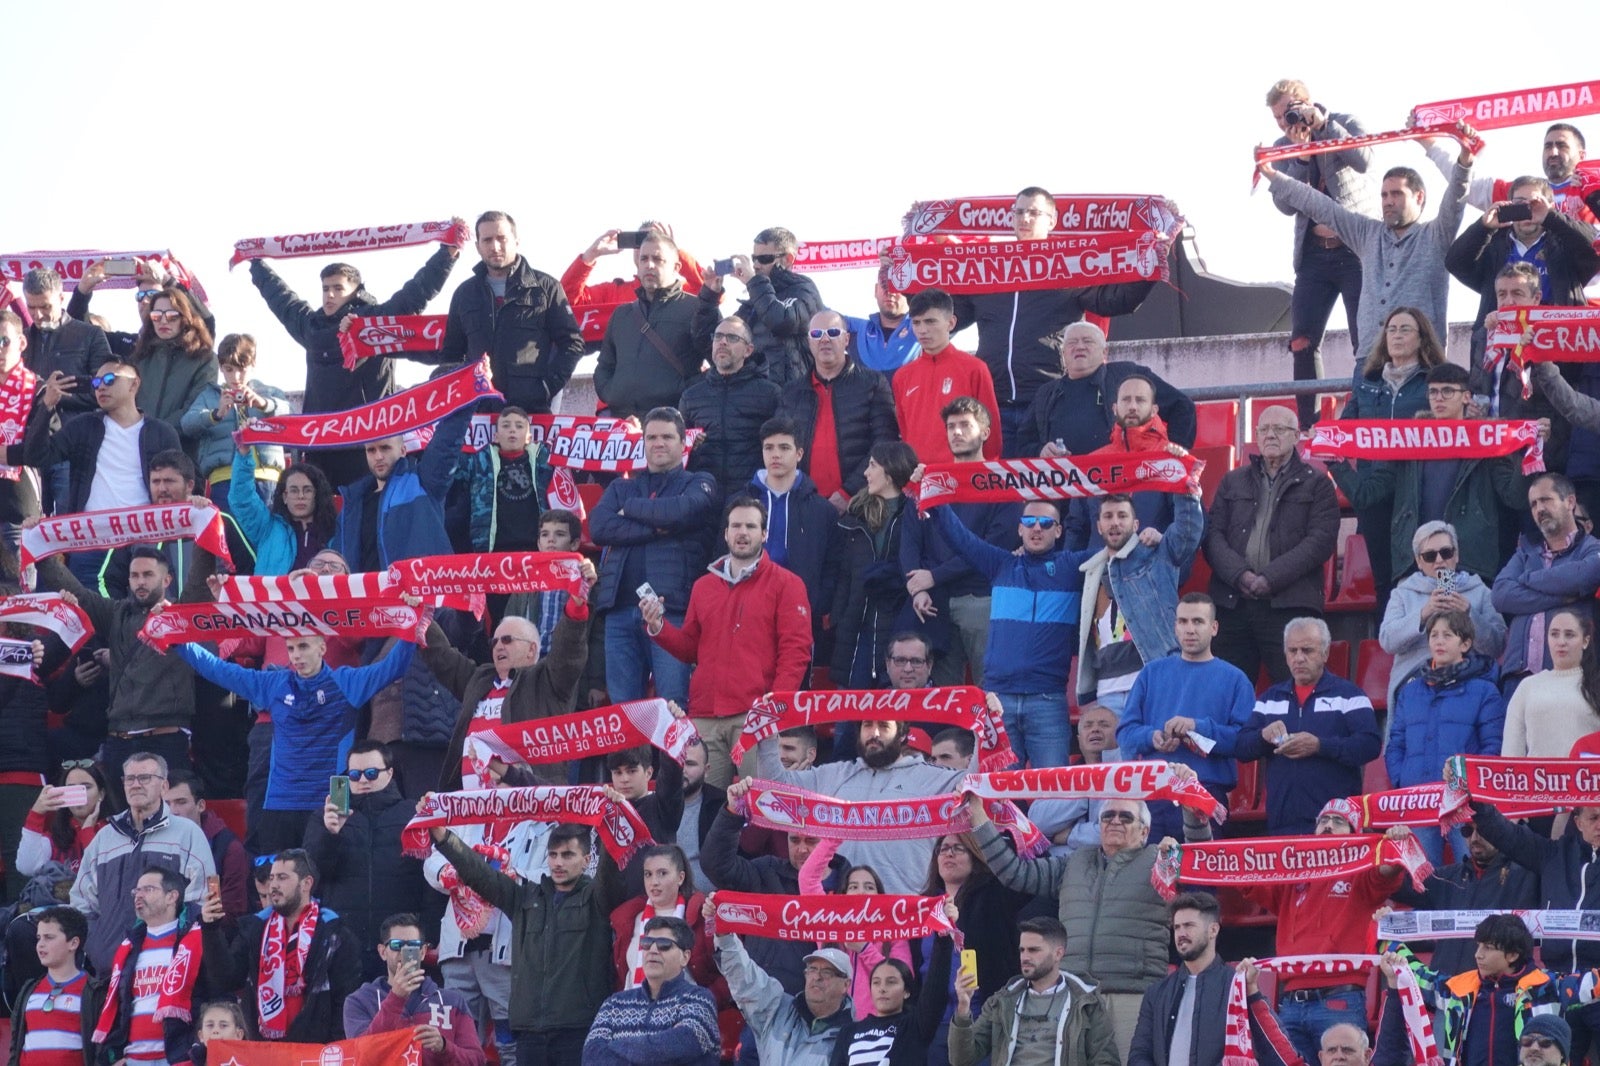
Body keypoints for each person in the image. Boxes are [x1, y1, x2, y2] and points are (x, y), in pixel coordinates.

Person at [970, 789, 1211, 1066]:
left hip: (1132, 995)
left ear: (1144, 832)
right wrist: (978, 816)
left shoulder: (1161, 861)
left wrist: (1192, 810)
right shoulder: (1073, 862)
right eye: (1108, 815)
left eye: (1126, 817)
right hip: (1076, 995)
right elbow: (1015, 872)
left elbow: (1201, 861)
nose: (1115, 821)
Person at [168, 624, 415, 853]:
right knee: (282, 881)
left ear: (322, 647)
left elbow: (393, 667)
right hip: (280, 799)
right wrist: (176, 641)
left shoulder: (345, 682)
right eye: (291, 648)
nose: (296, 655)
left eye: (303, 646)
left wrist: (414, 623)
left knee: (329, 880)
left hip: (333, 798)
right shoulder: (275, 683)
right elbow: (219, 670)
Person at [949, 187, 1161, 452]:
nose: (1025, 218)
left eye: (1034, 212)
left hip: (1048, 400)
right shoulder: (990, 271)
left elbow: (1116, 300)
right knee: (1001, 490)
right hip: (993, 403)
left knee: (1045, 489)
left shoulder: (1068, 267)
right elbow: (947, 317)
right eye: (1019, 212)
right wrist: (904, 280)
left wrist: (1153, 264)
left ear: (1052, 221)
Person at [249, 232, 462, 487]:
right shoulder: (311, 326)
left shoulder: (377, 323)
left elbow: (416, 292)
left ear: (355, 291)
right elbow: (282, 299)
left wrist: (446, 254)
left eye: (338, 288)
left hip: (368, 443)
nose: (329, 295)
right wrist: (256, 264)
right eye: (325, 288)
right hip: (322, 444)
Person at [427, 810, 625, 1066]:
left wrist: (612, 819)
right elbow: (479, 874)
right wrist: (444, 838)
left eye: (567, 855)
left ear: (587, 860)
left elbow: (611, 872)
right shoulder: (525, 898)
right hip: (530, 1032)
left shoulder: (596, 899)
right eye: (553, 855)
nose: (558, 863)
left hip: (577, 1029)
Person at [645, 496, 812, 787]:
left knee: (755, 808)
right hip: (705, 714)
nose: (742, 532)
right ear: (725, 533)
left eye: (750, 525)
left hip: (754, 715)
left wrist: (774, 706)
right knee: (704, 810)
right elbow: (689, 648)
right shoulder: (703, 586)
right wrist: (658, 626)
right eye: (736, 525)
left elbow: (796, 651)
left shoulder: (788, 584)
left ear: (764, 534)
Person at [1259, 133, 1477, 353]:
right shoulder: (1367, 233)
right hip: (1370, 361)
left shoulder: (1436, 234)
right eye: (1384, 195)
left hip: (1422, 361)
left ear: (1419, 197)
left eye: (1397, 194)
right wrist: (1271, 174)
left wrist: (1465, 160)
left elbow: (1456, 196)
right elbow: (1319, 205)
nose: (1388, 201)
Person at [923, 495, 1094, 769]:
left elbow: (1116, 545)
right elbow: (960, 538)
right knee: (999, 799)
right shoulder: (1001, 564)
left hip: (1047, 700)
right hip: (997, 701)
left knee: (1053, 797)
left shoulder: (1071, 567)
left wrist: (1150, 535)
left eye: (1046, 523)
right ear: (1019, 529)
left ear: (1059, 531)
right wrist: (935, 498)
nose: (1037, 528)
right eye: (1029, 521)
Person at [27, 543, 212, 787]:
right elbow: (80, 595)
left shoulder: (180, 615)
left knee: (168, 819)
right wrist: (39, 551)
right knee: (118, 822)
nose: (140, 582)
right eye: (134, 575)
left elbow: (199, 584)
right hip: (119, 740)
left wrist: (204, 532)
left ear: (167, 580)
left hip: (164, 739)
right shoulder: (117, 613)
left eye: (148, 575)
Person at [1237, 801, 1408, 1064]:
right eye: (1323, 820)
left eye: (1338, 822)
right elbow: (1245, 877)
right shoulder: (1292, 874)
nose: (1328, 825)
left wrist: (1395, 846)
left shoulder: (1361, 873)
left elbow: (1387, 871)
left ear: (1355, 834)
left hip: (1340, 999)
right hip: (1291, 1003)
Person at [1331, 362, 1531, 584]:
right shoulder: (1408, 440)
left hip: (1465, 562)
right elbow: (1366, 495)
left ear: (1466, 397)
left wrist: (1526, 451)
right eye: (1433, 392)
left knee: (1450, 615)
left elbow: (1515, 497)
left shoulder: (1487, 440)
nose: (1439, 398)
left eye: (1447, 391)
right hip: (1417, 563)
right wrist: (1331, 458)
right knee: (1423, 618)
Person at [753, 709, 972, 895]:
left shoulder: (931, 777)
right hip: (841, 913)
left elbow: (978, 779)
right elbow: (775, 787)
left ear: (902, 734)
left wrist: (986, 727)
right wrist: (767, 736)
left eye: (884, 726)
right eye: (867, 725)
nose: (874, 734)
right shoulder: (835, 774)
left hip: (905, 916)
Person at [589, 407, 718, 706]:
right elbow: (599, 527)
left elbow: (680, 511)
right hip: (618, 611)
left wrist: (631, 510)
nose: (658, 443)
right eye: (652, 437)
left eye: (667, 437)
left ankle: (675, 757)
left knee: (673, 707)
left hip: (671, 611)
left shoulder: (700, 481)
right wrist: (660, 529)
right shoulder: (622, 485)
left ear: (683, 442)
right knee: (624, 712)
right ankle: (629, 758)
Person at [427, 560, 593, 792]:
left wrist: (576, 606)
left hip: (530, 805)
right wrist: (420, 620)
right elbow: (443, 658)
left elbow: (569, 652)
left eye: (507, 640)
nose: (498, 647)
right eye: (494, 641)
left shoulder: (547, 680)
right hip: (473, 811)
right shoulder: (480, 679)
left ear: (532, 650)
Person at [1204, 404, 1341, 684]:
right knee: (1227, 691)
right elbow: (1212, 536)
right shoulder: (1232, 481)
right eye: (1263, 429)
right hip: (1233, 602)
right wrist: (1239, 575)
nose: (1270, 435)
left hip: (1289, 603)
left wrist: (1270, 577)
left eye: (1279, 429)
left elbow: (1320, 541)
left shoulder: (1318, 484)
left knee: (1293, 688)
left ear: (1296, 436)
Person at [1263, 81, 1374, 421]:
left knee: (1366, 340)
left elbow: (1364, 159)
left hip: (1355, 251)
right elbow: (1283, 203)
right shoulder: (1283, 146)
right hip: (1313, 255)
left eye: (1290, 111)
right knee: (1302, 341)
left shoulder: (1344, 122)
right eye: (1280, 118)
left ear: (1305, 102)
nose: (1286, 122)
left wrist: (1324, 126)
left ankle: (1367, 416)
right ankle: (1309, 426)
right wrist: (1299, 158)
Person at [901, 398, 1020, 686]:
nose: (956, 432)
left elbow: (993, 548)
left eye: (965, 425)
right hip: (932, 602)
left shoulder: (1003, 484)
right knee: (942, 696)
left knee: (988, 690)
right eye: (951, 426)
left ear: (986, 433)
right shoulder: (930, 481)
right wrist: (916, 588)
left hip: (981, 598)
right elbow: (908, 540)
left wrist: (933, 576)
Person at [1117, 593, 1254, 841]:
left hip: (1204, 791)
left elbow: (1245, 742)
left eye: (1198, 622)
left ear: (1214, 628)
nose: (1189, 629)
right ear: (1175, 627)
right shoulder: (1151, 673)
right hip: (1154, 793)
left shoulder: (1235, 679)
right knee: (1151, 878)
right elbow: (1125, 734)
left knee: (1200, 879)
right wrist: (1153, 737)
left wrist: (1198, 727)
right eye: (1183, 622)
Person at [1336, 305, 1450, 598]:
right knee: (1385, 579)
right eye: (1391, 329)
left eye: (1405, 329)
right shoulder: (1366, 382)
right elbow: (1344, 430)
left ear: (1422, 338)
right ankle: (1392, 641)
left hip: (1421, 488)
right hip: (1375, 491)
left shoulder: (1435, 382)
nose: (1396, 336)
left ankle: (1442, 634)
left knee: (1435, 569)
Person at [68, 753, 214, 975]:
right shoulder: (104, 837)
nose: (135, 785)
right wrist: (97, 947)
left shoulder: (188, 833)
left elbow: (202, 901)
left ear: (164, 787)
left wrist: (178, 947)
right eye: (130, 779)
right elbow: (81, 902)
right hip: (109, 970)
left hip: (167, 969)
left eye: (145, 777)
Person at [702, 780, 850, 998]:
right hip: (765, 1005)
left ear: (828, 840)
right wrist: (732, 812)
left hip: (827, 1004)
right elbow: (716, 865)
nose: (801, 849)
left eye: (811, 841)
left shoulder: (851, 885)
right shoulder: (765, 872)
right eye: (794, 840)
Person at [1234, 618, 1382, 835]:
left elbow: (1370, 745)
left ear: (1325, 654)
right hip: (1283, 822)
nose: (1299, 658)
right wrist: (1263, 736)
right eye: (1292, 651)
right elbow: (1241, 748)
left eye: (1307, 650)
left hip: (1335, 825)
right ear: (1285, 655)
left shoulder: (1349, 694)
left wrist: (1320, 746)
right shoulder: (1269, 699)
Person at [1373, 914, 1581, 1066]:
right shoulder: (1459, 988)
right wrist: (1385, 933)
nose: (1478, 955)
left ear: (1513, 955)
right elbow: (1414, 972)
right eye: (1478, 946)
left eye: (1488, 948)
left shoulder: (1548, 985)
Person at [203, 849, 362, 1043]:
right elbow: (227, 979)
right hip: (264, 1050)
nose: (273, 886)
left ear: (306, 883)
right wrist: (211, 930)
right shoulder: (255, 928)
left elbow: (343, 999)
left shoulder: (335, 933)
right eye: (272, 878)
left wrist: (335, 1050)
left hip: (313, 1052)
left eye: (282, 877)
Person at [1446, 175, 1599, 373]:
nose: (1528, 211)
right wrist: (1483, 227)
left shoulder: (1564, 243)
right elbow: (1455, 262)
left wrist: (1551, 218)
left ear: (1550, 205)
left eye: (1534, 203)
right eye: (1519, 204)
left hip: (1558, 353)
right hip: (1502, 352)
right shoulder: (1495, 244)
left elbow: (1594, 249)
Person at [435, 211, 585, 414]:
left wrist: (546, 388)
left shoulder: (546, 287)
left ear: (516, 240)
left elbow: (573, 344)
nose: (495, 247)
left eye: (501, 238)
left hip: (531, 416)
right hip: (478, 414)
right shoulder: (464, 294)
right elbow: (451, 355)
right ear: (478, 246)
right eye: (487, 240)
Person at [1389, 609, 1504, 865]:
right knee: (1424, 882)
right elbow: (1396, 743)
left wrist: (1471, 784)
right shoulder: (1410, 691)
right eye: (1434, 635)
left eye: (1447, 635)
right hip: (1417, 799)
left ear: (1465, 644)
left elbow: (1492, 746)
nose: (1438, 641)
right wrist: (1401, 779)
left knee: (1472, 876)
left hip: (1464, 803)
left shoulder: (1485, 691)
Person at [1077, 488, 1206, 717]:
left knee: (1159, 752)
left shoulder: (1156, 554)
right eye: (1108, 517)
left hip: (1154, 681)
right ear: (1098, 527)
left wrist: (1186, 488)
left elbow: (1188, 532)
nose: (1115, 523)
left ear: (1136, 524)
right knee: (1117, 755)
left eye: (1122, 516)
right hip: (1107, 692)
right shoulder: (1090, 571)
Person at [304, 741, 426, 982]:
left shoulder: (412, 814)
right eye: (354, 774)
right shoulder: (325, 817)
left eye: (371, 773)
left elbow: (428, 879)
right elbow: (313, 877)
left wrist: (429, 932)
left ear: (389, 773)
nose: (362, 780)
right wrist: (331, 835)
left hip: (398, 942)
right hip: (344, 940)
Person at [916, 834, 1030, 1062]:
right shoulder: (921, 906)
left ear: (975, 857)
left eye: (959, 848)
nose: (949, 853)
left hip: (981, 1019)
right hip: (935, 1022)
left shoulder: (994, 895)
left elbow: (1021, 871)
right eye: (944, 848)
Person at [949, 914, 1118, 1066]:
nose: (1025, 957)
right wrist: (963, 1009)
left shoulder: (1086, 1002)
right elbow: (962, 1059)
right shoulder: (1002, 1000)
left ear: (1058, 953)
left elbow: (1106, 1061)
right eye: (1022, 950)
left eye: (1033, 950)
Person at [328, 398, 473, 571]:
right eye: (371, 450)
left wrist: (467, 394)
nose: (378, 456)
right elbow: (334, 563)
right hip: (365, 596)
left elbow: (447, 442)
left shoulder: (424, 483)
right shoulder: (352, 503)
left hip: (417, 596)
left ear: (403, 451)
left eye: (385, 448)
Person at [775, 309, 898, 511]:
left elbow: (885, 441)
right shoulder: (791, 392)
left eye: (833, 332)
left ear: (847, 339)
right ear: (809, 342)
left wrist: (849, 492)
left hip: (862, 504)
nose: (824, 339)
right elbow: (779, 445)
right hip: (804, 503)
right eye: (816, 334)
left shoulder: (873, 383)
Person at [92, 866, 216, 1066]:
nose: (138, 895)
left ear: (172, 897)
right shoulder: (128, 948)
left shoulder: (195, 939)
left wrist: (195, 1053)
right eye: (136, 891)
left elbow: (212, 995)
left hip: (179, 1058)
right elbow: (119, 1008)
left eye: (148, 889)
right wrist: (112, 1055)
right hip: (133, 1058)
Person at [1379, 521, 1508, 712]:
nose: (1439, 561)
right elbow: (1388, 640)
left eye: (1446, 552)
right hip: (1417, 677)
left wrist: (1469, 614)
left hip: (1468, 676)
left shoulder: (1480, 591)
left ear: (1456, 555)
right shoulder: (1403, 593)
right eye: (1430, 556)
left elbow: (1497, 645)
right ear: (1419, 562)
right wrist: (1423, 614)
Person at [708, 900, 854, 1066]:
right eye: (812, 969)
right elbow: (744, 976)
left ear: (845, 985)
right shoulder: (776, 1010)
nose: (817, 977)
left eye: (827, 972)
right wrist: (724, 935)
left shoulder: (855, 1035)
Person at [1018, 321, 1196, 458]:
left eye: (1087, 341)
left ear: (1104, 353)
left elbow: (1182, 406)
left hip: (1121, 491)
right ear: (1063, 354)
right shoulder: (1045, 394)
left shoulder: (1127, 374)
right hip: (1064, 493)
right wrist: (1040, 450)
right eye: (1072, 342)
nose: (1079, 346)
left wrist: (1172, 452)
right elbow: (1022, 444)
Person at [1388, 819, 1540, 978]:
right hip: (1445, 992)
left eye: (1483, 830)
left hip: (1493, 993)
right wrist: (1395, 852)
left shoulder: (1526, 874)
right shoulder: (1448, 877)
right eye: (1467, 831)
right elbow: (1396, 888)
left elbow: (1541, 850)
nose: (1474, 838)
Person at [1492, 472, 1600, 694]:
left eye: (1545, 500)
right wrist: (1563, 596)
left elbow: (1584, 576)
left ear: (1570, 502)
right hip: (1517, 678)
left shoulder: (1592, 548)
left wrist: (1527, 579)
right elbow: (1501, 595)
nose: (1539, 509)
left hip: (1571, 676)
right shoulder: (1526, 551)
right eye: (1533, 504)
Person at [342, 912, 486, 1066]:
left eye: (413, 946)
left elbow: (477, 1060)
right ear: (383, 952)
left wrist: (444, 1047)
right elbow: (361, 1057)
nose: (404, 953)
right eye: (397, 945)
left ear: (423, 952)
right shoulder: (359, 1001)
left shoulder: (452, 1001)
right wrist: (396, 998)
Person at [831, 442, 919, 691]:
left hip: (900, 623)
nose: (866, 473)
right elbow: (844, 575)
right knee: (848, 716)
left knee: (895, 715)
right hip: (857, 626)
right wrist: (838, 617)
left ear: (890, 471)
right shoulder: (855, 517)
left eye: (872, 466)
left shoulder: (917, 515)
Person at [746, 416, 841, 646]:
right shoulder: (741, 504)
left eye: (784, 448)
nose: (775, 454)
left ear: (799, 454)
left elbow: (833, 565)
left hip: (800, 614)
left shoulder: (822, 510)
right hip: (748, 611)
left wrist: (817, 604)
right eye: (769, 448)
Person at [595, 232, 712, 419]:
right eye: (644, 259)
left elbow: (721, 363)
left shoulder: (697, 310)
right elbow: (604, 365)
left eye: (658, 259)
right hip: (622, 424)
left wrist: (687, 391)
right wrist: (611, 393)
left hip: (672, 423)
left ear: (676, 266)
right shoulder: (621, 315)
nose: (649, 265)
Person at [584, 915, 720, 1066]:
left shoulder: (700, 1000)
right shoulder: (614, 1004)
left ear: (685, 957)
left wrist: (616, 1046)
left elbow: (682, 1044)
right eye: (647, 943)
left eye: (664, 944)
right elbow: (591, 1056)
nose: (653, 950)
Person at [697, 226, 823, 386]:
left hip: (791, 396)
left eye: (764, 259)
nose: (756, 265)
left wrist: (753, 283)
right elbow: (712, 345)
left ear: (788, 259)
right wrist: (710, 296)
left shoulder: (803, 289)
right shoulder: (755, 298)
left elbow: (781, 321)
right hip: (754, 394)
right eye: (754, 258)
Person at [829, 908, 953, 1066]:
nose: (882, 988)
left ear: (907, 991)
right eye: (876, 982)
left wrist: (943, 937)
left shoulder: (915, 1026)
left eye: (891, 981)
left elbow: (936, 987)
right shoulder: (848, 1032)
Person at [890, 289, 1003, 461]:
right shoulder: (902, 377)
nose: (922, 330)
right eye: (917, 322)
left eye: (930, 321)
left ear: (951, 323)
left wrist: (983, 477)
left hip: (964, 478)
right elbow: (905, 433)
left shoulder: (975, 368)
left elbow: (991, 432)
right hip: (921, 479)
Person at [679, 316, 781, 500]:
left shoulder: (770, 393)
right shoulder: (691, 396)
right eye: (718, 337)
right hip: (703, 498)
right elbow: (678, 453)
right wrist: (691, 446)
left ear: (748, 350)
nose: (723, 342)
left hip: (752, 498)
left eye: (732, 338)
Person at [1127, 893, 1233, 1066]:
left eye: (1189, 925)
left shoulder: (1237, 986)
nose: (1181, 934)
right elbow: (1139, 1054)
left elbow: (1248, 1050)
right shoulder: (1156, 993)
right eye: (1177, 927)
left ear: (1213, 930)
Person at [610, 844, 719, 997]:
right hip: (633, 1014)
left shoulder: (701, 915)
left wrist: (707, 999)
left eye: (662, 873)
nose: (654, 881)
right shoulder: (629, 919)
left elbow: (727, 971)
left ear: (680, 877)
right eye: (648, 874)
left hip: (685, 1012)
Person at [453, 405, 554, 557]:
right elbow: (447, 471)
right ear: (496, 436)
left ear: (529, 437)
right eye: (506, 426)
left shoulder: (547, 460)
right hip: (492, 551)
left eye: (519, 426)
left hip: (537, 549)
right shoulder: (478, 461)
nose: (512, 430)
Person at [9, 906, 103, 1066]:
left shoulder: (94, 992)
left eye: (49, 937)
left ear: (73, 943)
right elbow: (15, 1045)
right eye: (39, 938)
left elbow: (102, 1050)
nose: (40, 944)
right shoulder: (29, 990)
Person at [1028, 705, 1124, 857]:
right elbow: (1036, 821)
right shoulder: (1063, 776)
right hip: (1060, 864)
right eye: (1088, 725)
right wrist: (1084, 795)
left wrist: (1070, 834)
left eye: (1104, 725)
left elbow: (1121, 833)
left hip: (1111, 865)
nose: (1095, 729)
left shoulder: (1128, 776)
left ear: (1120, 736)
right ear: (1079, 740)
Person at [1505, 609, 1600, 758]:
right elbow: (1511, 751)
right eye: (1554, 634)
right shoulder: (1528, 686)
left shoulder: (1596, 683)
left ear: (1585, 641)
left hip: (1586, 779)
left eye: (1569, 635)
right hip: (1535, 779)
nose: (1561, 642)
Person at [125, 286, 217, 433]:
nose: (163, 321)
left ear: (185, 318)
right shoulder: (140, 357)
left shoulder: (204, 358)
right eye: (156, 316)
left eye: (171, 316)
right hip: (137, 442)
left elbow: (196, 407)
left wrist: (159, 431)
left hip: (181, 446)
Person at [229, 453, 338, 576]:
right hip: (273, 595)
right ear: (285, 497)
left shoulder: (335, 531)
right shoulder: (267, 528)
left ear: (317, 496)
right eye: (294, 490)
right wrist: (244, 455)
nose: (300, 496)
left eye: (307, 490)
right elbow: (242, 498)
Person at [163, 771, 250, 919]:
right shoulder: (151, 842)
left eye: (181, 802)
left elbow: (232, 910)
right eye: (166, 804)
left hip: (209, 932)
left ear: (201, 805)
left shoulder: (229, 848)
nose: (172, 811)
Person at [17, 763, 110, 880]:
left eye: (86, 787)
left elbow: (104, 875)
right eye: (71, 789)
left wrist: (87, 832)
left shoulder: (114, 830)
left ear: (101, 794)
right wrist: (36, 814)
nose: (78, 794)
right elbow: (27, 867)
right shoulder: (56, 836)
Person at [845, 282, 919, 375]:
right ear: (876, 290)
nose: (890, 292)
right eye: (884, 285)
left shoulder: (923, 329)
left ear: (910, 292)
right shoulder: (857, 329)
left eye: (897, 286)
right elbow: (822, 315)